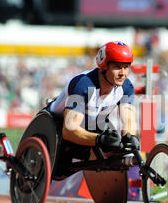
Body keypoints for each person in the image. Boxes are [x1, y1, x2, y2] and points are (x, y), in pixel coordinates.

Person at [46, 41, 139, 178]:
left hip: (91, 123)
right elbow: (69, 130)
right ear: (104, 66)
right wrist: (99, 139)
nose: (123, 73)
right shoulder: (82, 84)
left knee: (116, 142)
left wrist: (130, 138)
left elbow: (129, 120)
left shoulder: (126, 87)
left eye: (126, 67)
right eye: (118, 67)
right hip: (56, 125)